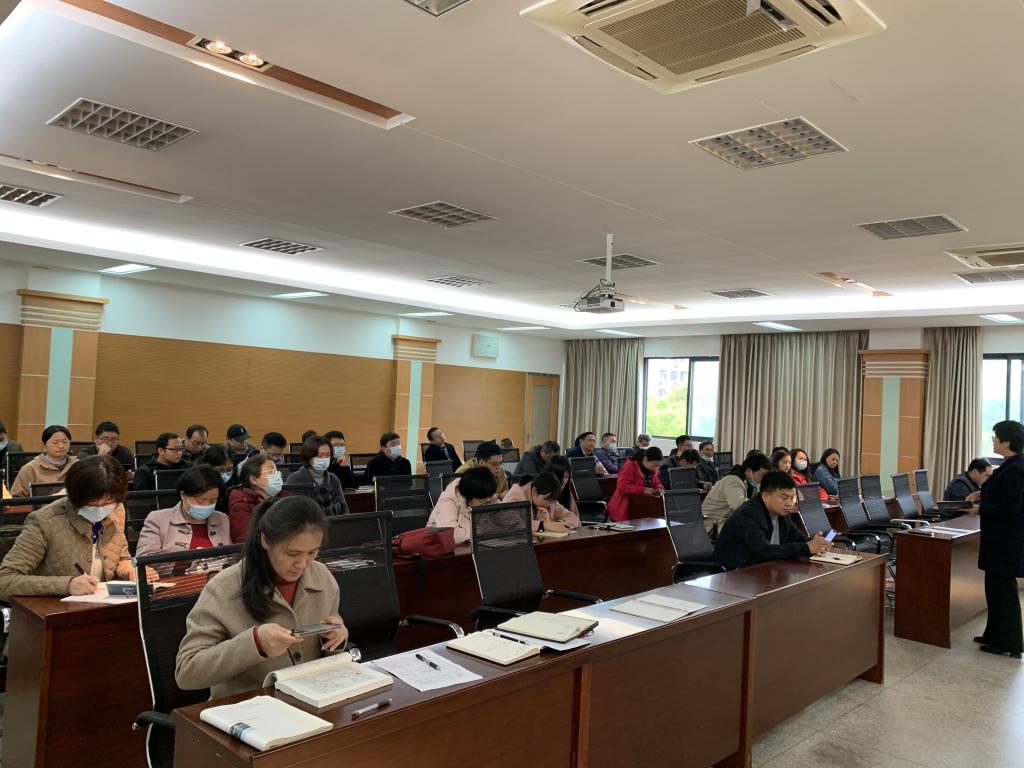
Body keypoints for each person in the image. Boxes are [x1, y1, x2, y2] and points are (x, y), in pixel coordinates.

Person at [175, 495, 348, 698]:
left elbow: (326, 651)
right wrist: (255, 643)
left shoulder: (322, 578)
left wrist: (336, 639)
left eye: (312, 553)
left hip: (312, 698)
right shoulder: (224, 588)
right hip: (249, 706)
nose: (303, 564)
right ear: (265, 540)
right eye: (292, 554)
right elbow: (186, 672)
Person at [0, 455, 134, 599]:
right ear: (75, 497)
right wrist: (67, 585)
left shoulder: (116, 510)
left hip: (104, 603)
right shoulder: (44, 521)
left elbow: (121, 557)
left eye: (108, 503)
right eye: (93, 504)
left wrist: (130, 569)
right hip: (56, 607)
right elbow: (5, 580)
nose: (101, 509)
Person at [972, 421, 1024, 658]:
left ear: (1007, 441)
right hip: (999, 540)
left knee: (1004, 592)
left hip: (1006, 541)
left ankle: (1009, 643)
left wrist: (980, 509)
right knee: (994, 589)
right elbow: (1001, 492)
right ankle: (994, 634)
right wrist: (980, 493)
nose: (993, 440)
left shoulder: (1016, 469)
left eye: (996, 437)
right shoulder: (1010, 465)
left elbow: (1010, 507)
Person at [713, 470, 831, 571]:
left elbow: (796, 537)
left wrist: (816, 543)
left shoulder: (782, 512)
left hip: (764, 570)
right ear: (766, 496)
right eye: (784, 498)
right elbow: (763, 551)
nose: (789, 503)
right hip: (734, 574)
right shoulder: (747, 515)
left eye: (792, 498)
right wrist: (806, 547)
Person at [136, 466, 231, 557]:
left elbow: (232, 555)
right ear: (183, 495)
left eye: (212, 501)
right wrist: (190, 559)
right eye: (200, 501)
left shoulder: (222, 519)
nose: (206, 505)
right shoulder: (158, 519)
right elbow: (145, 560)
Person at [702, 452, 771, 536]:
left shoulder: (749, 483)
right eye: (761, 475)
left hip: (726, 520)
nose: (762, 479)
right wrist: (763, 503)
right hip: (713, 522)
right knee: (752, 532)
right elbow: (738, 504)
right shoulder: (733, 480)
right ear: (749, 470)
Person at [425, 466, 498, 545]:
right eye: (481, 501)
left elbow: (503, 518)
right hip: (440, 546)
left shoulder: (485, 492)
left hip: (473, 542)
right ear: (467, 497)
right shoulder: (448, 502)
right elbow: (451, 535)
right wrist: (483, 529)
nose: (488, 503)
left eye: (490, 498)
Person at [229, 454, 288, 543]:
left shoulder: (284, 498)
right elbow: (246, 542)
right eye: (271, 472)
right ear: (254, 480)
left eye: (277, 471)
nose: (278, 475)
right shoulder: (241, 507)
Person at [10, 425, 78, 497]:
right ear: (44, 445)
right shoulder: (30, 468)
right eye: (55, 443)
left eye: (65, 442)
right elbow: (15, 497)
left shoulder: (77, 465)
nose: (61, 446)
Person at [285, 436, 348, 514]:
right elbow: (296, 512)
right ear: (308, 456)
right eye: (319, 455)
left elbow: (344, 508)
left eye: (327, 455)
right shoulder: (296, 479)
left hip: (336, 521)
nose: (324, 459)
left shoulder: (333, 479)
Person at [503, 471, 580, 531]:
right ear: (534, 491)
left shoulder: (550, 501)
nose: (548, 505)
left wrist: (558, 524)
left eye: (552, 501)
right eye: (547, 499)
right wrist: (543, 525)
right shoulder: (515, 496)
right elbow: (511, 525)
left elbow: (572, 518)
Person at [608, 447, 665, 522]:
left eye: (658, 466)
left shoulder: (652, 470)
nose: (655, 468)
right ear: (645, 459)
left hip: (643, 507)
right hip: (625, 508)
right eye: (654, 465)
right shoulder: (630, 467)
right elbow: (622, 487)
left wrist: (659, 488)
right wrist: (643, 490)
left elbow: (657, 482)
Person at [194, 445, 237, 512]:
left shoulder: (235, 480)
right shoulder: (197, 482)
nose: (225, 474)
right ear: (208, 467)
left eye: (229, 469)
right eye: (220, 470)